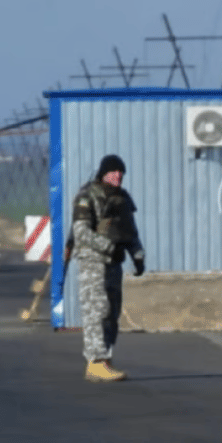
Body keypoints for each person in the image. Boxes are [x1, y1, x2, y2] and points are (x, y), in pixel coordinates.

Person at [70, 154, 145, 382]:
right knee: (97, 310)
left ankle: (106, 359)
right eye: (113, 172)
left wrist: (138, 256)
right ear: (103, 173)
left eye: (121, 173)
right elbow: (80, 232)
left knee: (112, 313)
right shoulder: (87, 196)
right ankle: (95, 362)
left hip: (114, 263)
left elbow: (130, 232)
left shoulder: (122, 199)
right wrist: (106, 245)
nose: (118, 176)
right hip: (93, 261)